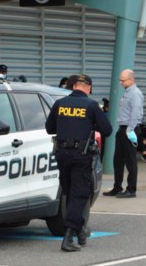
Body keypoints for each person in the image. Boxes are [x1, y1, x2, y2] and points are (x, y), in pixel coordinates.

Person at [45, 74, 113, 252]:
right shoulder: (91, 105)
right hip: (81, 156)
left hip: (62, 154)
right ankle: (69, 236)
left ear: (73, 86)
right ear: (88, 87)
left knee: (69, 193)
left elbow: (49, 128)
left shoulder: (60, 104)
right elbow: (107, 130)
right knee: (80, 194)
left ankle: (80, 230)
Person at [105, 68, 143, 198]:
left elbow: (136, 114)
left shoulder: (135, 93)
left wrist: (129, 130)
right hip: (122, 129)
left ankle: (131, 189)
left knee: (130, 161)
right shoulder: (127, 92)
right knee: (118, 160)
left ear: (131, 80)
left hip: (129, 129)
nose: (121, 83)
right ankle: (117, 187)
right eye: (120, 80)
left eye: (123, 80)